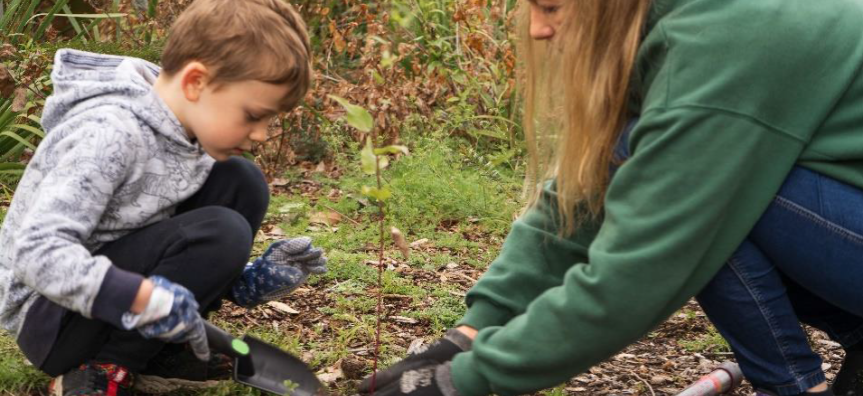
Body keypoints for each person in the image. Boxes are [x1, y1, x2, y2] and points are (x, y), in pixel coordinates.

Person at [357, 1, 863, 395]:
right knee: (681, 174)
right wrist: (466, 336)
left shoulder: (726, 40)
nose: (536, 29)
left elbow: (638, 272)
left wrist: (465, 380)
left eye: (552, 7)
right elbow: (576, 200)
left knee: (706, 199)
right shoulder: (683, 25)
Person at [0, 1, 326, 395]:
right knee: (223, 230)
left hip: (109, 300)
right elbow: (35, 253)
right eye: (254, 115)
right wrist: (140, 297)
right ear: (195, 83)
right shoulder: (110, 134)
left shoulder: (184, 129)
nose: (261, 134)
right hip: (51, 321)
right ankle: (106, 367)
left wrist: (241, 282)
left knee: (241, 181)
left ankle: (165, 346)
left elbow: (156, 238)